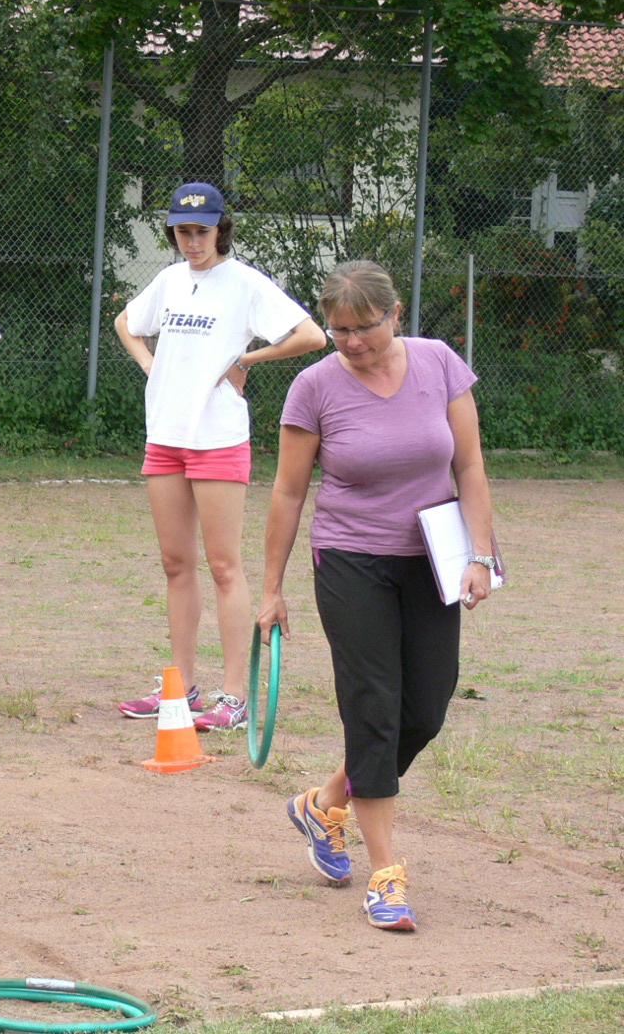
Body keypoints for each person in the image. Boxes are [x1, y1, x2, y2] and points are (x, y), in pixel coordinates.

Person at [258, 260, 497, 932]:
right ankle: (385, 875)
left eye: (365, 327)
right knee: (373, 710)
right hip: (350, 560)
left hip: (431, 558)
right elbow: (288, 491)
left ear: (395, 314)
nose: (353, 342)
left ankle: (324, 802)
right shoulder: (314, 387)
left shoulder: (439, 362)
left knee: (425, 710)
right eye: (339, 330)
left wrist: (480, 554)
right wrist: (271, 589)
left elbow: (470, 464)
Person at [113, 182, 326, 730]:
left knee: (224, 566)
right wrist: (150, 364)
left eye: (202, 231)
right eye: (183, 231)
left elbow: (311, 335)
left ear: (219, 230)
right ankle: (180, 688)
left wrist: (246, 360)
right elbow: (126, 324)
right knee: (175, 564)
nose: (192, 241)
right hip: (165, 435)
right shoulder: (169, 280)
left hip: (217, 438)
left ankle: (234, 697)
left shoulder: (245, 282)